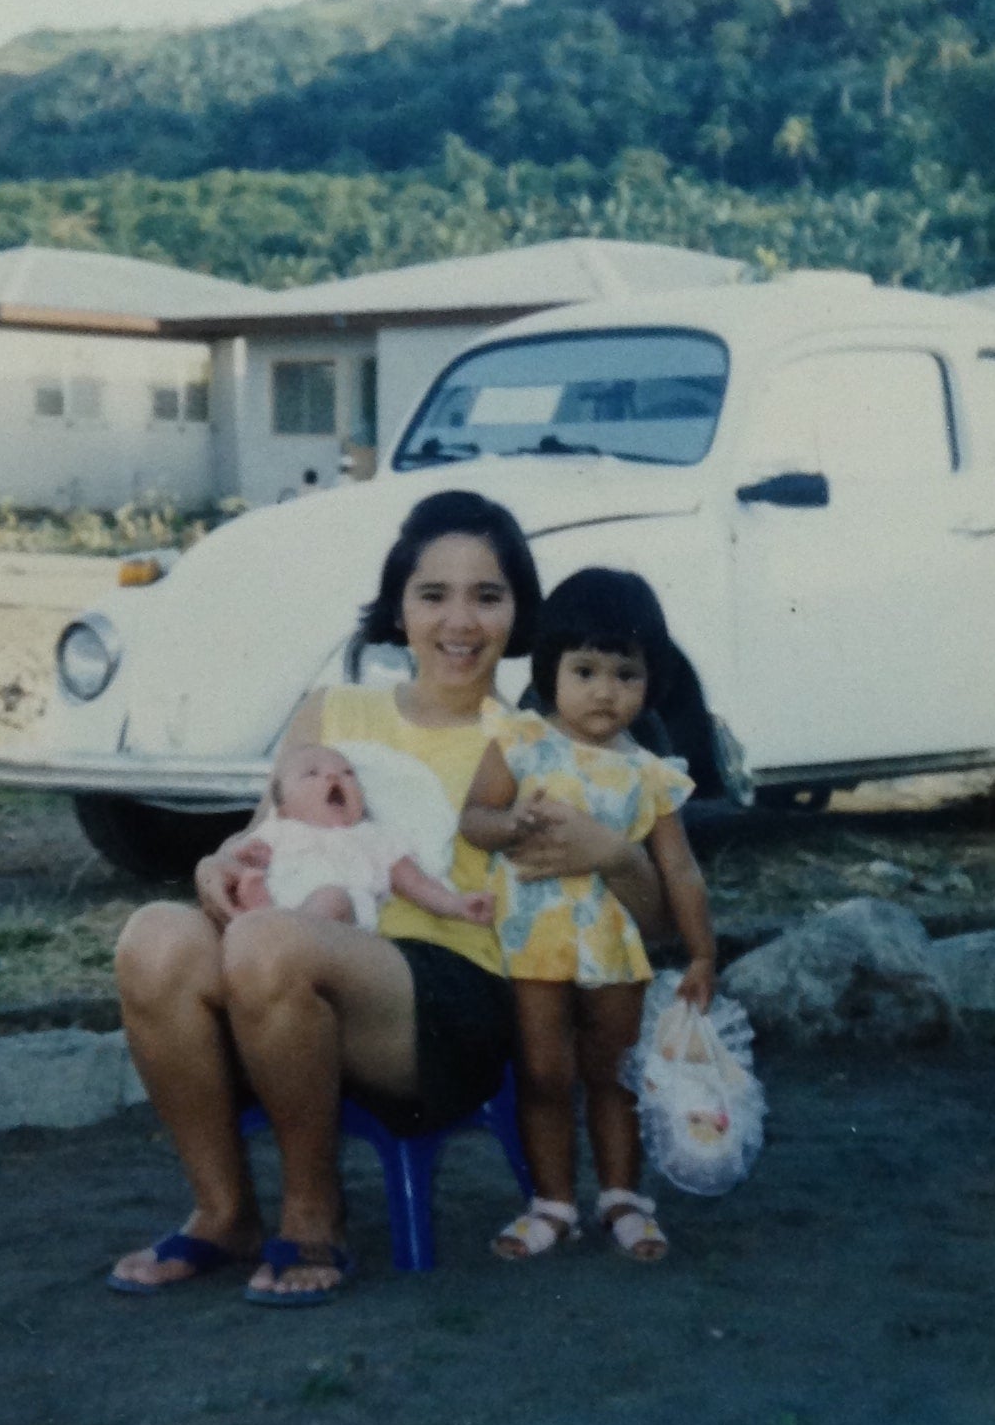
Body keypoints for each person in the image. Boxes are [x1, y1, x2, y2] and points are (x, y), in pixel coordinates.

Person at [105, 490, 673, 1306]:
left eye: (488, 594)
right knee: (153, 936)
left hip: (447, 998)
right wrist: (221, 858)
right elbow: (262, 834)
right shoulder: (332, 710)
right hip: (293, 958)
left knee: (270, 944)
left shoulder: (542, 742)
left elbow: (651, 919)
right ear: (398, 605)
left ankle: (314, 1212)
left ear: (520, 611)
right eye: (433, 592)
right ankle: (223, 1211)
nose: (460, 621)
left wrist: (615, 852)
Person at [460, 567, 718, 1264]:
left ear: (651, 680)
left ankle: (622, 1197)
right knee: (543, 1073)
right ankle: (551, 1203)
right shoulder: (518, 742)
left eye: (626, 673)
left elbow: (680, 870)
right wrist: (508, 821)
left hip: (613, 949)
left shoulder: (650, 773)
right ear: (551, 671)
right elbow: (474, 818)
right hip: (532, 943)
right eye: (586, 669)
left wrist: (700, 952)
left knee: (615, 1073)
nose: (605, 690)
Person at [227, 742, 494, 931]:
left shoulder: (374, 837)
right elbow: (244, 855)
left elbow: (417, 883)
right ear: (283, 807)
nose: (333, 775)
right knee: (250, 885)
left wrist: (456, 904)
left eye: (348, 773)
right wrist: (253, 857)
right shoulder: (279, 829)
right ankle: (264, 919)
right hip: (280, 902)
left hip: (345, 916)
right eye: (311, 773)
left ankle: (279, 932)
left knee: (330, 899)